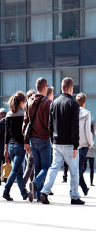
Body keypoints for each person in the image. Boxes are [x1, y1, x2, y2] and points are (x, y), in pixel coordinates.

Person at [40, 77, 85, 205]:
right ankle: (74, 196)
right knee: (74, 171)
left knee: (54, 168)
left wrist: (52, 140)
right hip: (70, 144)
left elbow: (50, 125)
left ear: (61, 88)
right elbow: (74, 127)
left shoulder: (54, 102)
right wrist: (76, 145)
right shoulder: (73, 104)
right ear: (71, 88)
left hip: (56, 142)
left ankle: (44, 192)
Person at [23, 77, 52, 199]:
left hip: (32, 139)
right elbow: (49, 124)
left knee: (38, 167)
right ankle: (35, 184)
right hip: (44, 138)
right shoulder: (47, 103)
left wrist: (25, 141)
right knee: (46, 167)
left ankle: (38, 193)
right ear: (45, 88)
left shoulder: (28, 102)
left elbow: (25, 123)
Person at [2, 91, 32, 202]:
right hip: (20, 146)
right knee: (15, 170)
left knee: (19, 171)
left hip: (10, 147)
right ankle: (6, 191)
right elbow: (25, 132)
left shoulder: (8, 115)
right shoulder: (23, 114)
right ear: (21, 102)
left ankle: (24, 193)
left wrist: (5, 148)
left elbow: (7, 133)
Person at [76, 93, 94, 196]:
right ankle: (79, 189)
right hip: (83, 145)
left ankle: (84, 188)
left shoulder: (72, 113)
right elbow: (88, 131)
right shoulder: (87, 113)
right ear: (85, 102)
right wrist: (91, 143)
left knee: (79, 168)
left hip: (74, 145)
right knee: (79, 169)